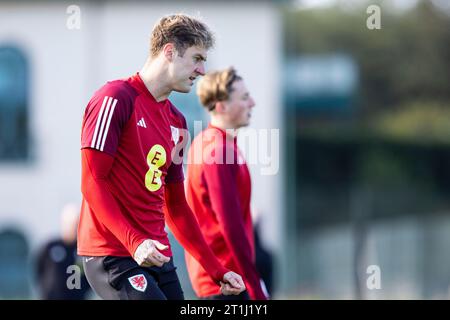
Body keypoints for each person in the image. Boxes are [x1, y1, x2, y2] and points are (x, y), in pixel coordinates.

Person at [78, 14, 245, 300]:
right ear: (169, 51)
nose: (202, 70)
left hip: (157, 256)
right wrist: (135, 242)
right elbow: (93, 181)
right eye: (196, 58)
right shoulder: (115, 98)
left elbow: (176, 207)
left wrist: (217, 270)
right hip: (113, 253)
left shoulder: (178, 123)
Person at [184, 67, 269, 300]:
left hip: (227, 280)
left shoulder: (219, 145)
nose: (252, 103)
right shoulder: (217, 150)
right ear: (221, 106)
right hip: (227, 284)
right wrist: (254, 284)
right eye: (243, 97)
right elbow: (231, 227)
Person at [35, 203, 91, 299]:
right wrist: (46, 288)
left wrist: (82, 292)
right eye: (71, 225)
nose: (74, 229)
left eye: (76, 225)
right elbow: (39, 269)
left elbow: (90, 275)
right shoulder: (51, 247)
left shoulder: (84, 251)